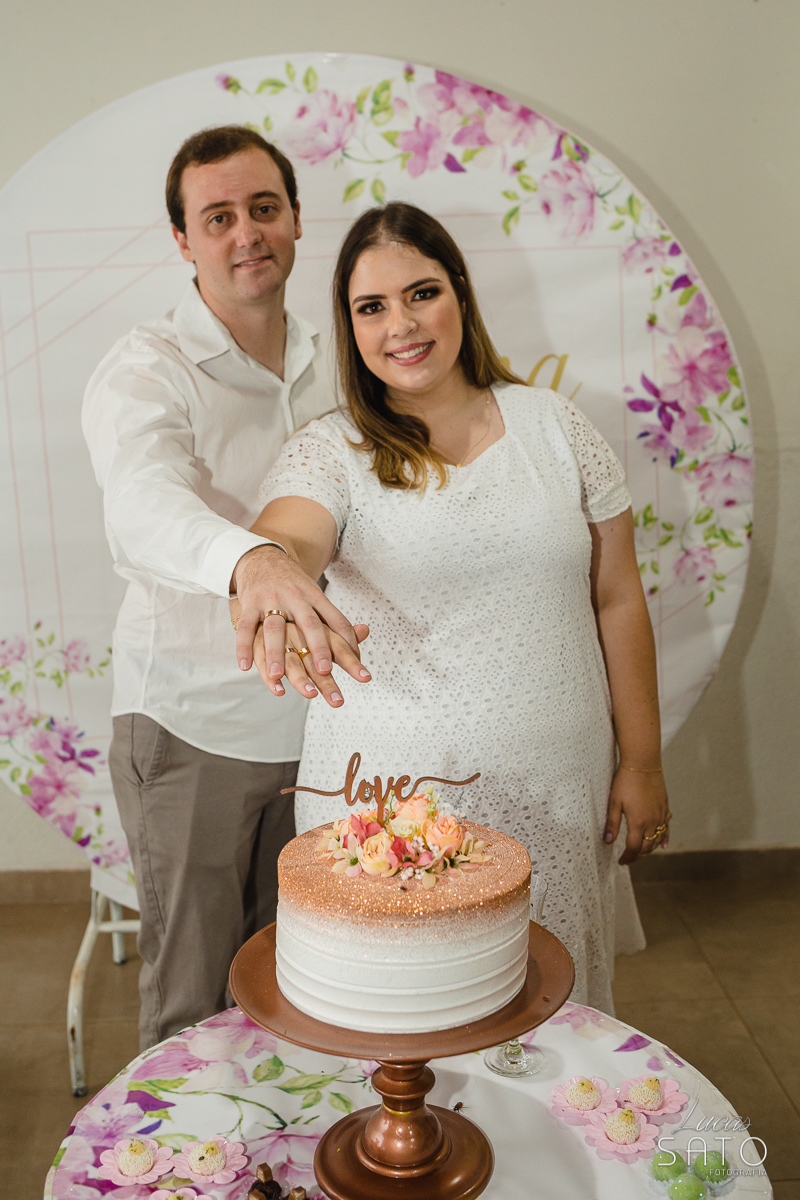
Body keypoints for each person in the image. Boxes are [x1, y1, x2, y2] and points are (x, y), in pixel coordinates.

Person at [232, 202, 671, 1013]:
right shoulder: (333, 451)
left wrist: (641, 761)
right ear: (350, 326)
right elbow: (288, 536)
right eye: (371, 307)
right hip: (386, 801)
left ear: (461, 295)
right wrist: (265, 567)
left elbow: (617, 599)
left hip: (556, 786)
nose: (401, 324)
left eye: (421, 293)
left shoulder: (559, 428)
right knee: (400, 1026)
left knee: (546, 1012)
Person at [82, 125, 369, 1049]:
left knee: (303, 981)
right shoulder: (145, 367)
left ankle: (287, 1179)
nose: (245, 232)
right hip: (191, 724)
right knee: (194, 1001)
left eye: (262, 208)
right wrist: (251, 558)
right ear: (184, 242)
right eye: (218, 217)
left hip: (326, 728)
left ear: (294, 219)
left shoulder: (344, 357)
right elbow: (140, 505)